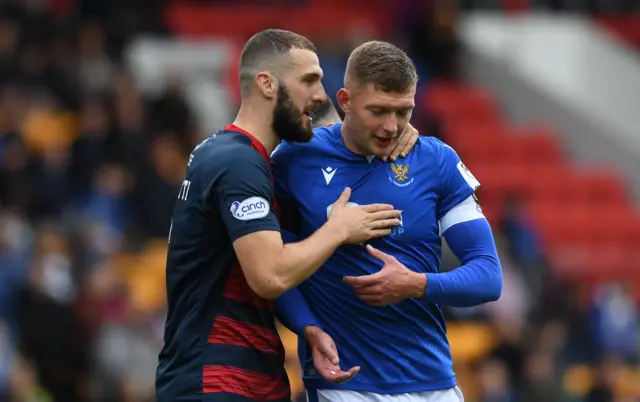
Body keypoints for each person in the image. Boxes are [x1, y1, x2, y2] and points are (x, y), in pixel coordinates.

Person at [155, 29, 418, 402]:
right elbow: (269, 274)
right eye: (309, 80)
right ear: (266, 83)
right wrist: (339, 229)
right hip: (217, 377)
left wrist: (398, 131)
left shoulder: (240, 158)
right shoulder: (237, 161)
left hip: (250, 376)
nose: (319, 96)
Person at [272, 41, 503, 402]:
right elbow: (276, 265)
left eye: (403, 112)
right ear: (345, 101)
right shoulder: (294, 159)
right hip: (345, 384)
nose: (392, 127)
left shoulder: (437, 161)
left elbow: (488, 277)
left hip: (433, 384)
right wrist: (308, 328)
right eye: (378, 111)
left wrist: (416, 284)